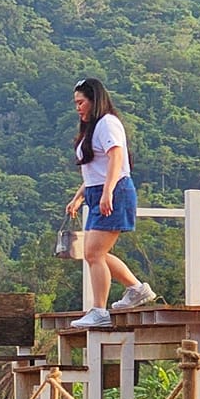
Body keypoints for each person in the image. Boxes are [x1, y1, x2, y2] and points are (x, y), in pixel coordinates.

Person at [64, 78, 159, 330]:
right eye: (76, 103)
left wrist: (108, 193)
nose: (78, 108)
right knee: (95, 252)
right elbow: (95, 170)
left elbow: (116, 158)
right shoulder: (92, 128)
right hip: (98, 192)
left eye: (81, 102)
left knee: (93, 252)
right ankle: (137, 289)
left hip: (114, 191)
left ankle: (99, 311)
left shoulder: (107, 123)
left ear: (94, 101)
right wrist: (79, 197)